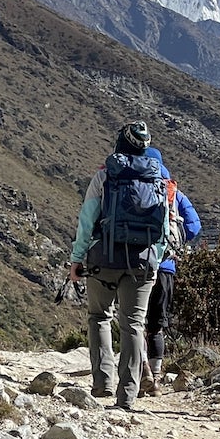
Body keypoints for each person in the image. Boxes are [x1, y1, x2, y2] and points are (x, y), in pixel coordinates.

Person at [70, 120, 167, 410]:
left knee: (99, 316)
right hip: (143, 261)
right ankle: (127, 396)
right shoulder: (158, 179)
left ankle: (102, 384)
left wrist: (77, 258)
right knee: (133, 325)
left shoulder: (104, 177)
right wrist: (156, 259)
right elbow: (163, 228)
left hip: (105, 258)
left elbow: (87, 222)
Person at [140, 146, 202, 395]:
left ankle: (139, 370)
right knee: (156, 325)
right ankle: (155, 376)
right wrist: (174, 242)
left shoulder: (129, 187)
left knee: (134, 322)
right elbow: (194, 226)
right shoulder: (172, 191)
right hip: (165, 265)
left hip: (134, 263)